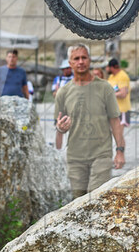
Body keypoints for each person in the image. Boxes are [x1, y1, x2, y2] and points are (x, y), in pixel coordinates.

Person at [54, 44, 127, 199]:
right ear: (70, 62)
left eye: (84, 57)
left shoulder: (105, 88)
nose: (81, 61)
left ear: (89, 60)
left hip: (101, 155)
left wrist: (120, 151)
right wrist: (60, 129)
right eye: (76, 58)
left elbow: (115, 122)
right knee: (77, 202)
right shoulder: (63, 93)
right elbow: (58, 130)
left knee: (96, 199)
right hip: (75, 158)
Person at [106, 58, 132, 128]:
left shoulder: (123, 76)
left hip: (122, 110)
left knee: (119, 136)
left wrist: (109, 95)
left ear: (111, 67)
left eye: (107, 67)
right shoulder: (111, 76)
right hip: (113, 110)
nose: (106, 69)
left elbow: (123, 93)